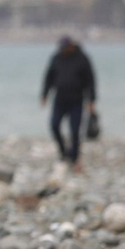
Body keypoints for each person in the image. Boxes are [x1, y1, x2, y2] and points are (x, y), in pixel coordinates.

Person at [41, 36, 97, 170]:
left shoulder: (82, 59)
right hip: (59, 100)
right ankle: (63, 151)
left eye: (65, 48)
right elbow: (49, 77)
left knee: (75, 130)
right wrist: (44, 94)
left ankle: (75, 158)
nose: (63, 50)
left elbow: (90, 80)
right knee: (54, 125)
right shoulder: (57, 57)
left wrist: (91, 100)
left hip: (76, 101)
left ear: (71, 46)